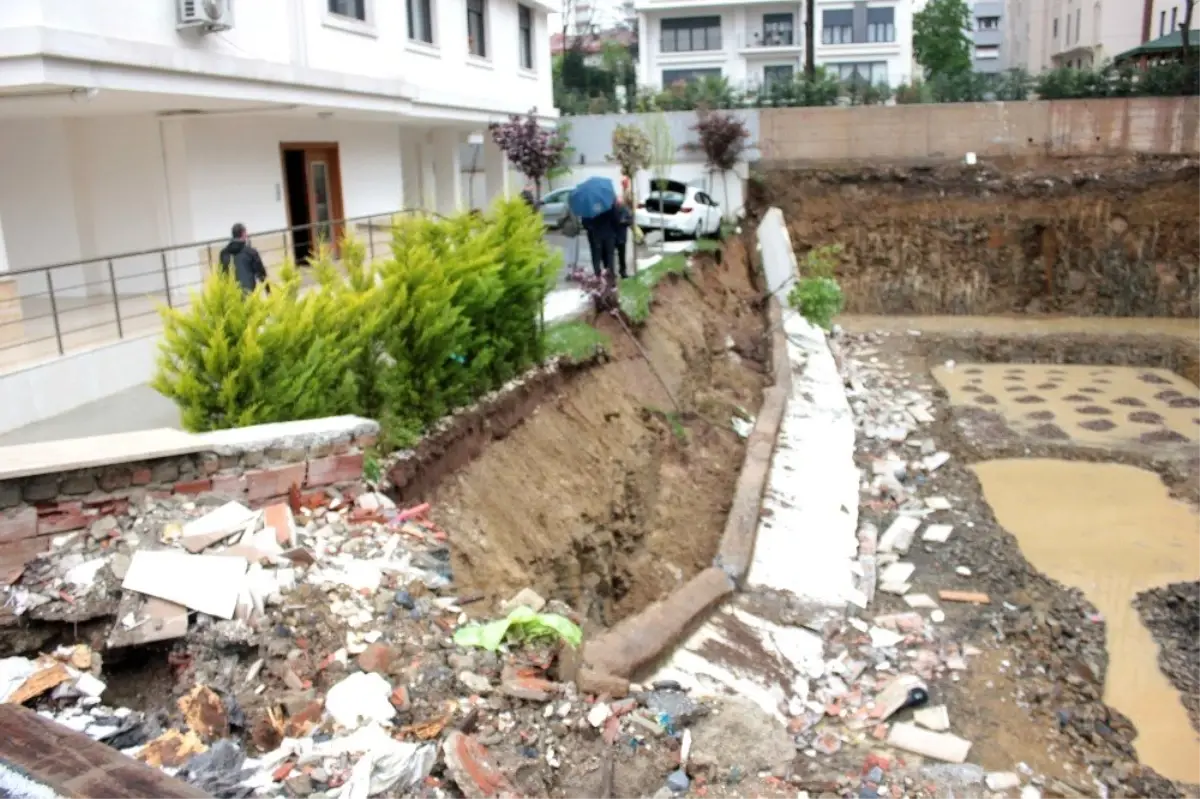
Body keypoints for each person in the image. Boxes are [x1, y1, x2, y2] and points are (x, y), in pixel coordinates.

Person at [218, 223, 268, 294]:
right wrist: (268, 292)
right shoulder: (251, 252)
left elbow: (221, 275)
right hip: (248, 294)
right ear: (243, 233)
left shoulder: (223, 253)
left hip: (231, 296)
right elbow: (261, 274)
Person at [613, 192, 633, 279]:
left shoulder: (625, 209)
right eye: (617, 201)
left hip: (621, 236)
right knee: (611, 255)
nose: (619, 203)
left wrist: (624, 221)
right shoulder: (612, 210)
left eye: (620, 201)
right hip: (613, 236)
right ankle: (612, 272)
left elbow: (630, 220)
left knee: (622, 255)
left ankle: (623, 271)